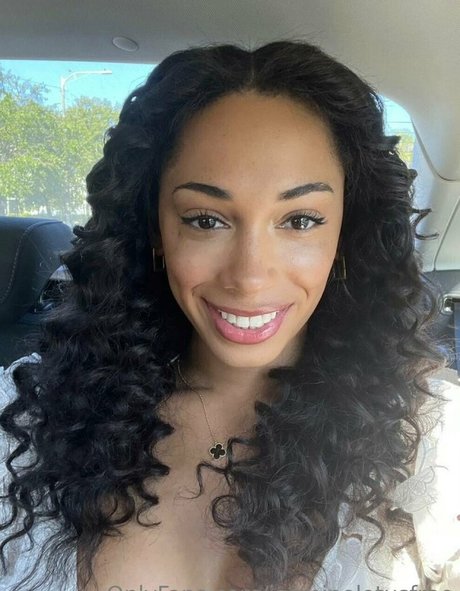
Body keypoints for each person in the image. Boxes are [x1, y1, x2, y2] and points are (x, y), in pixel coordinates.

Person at [0, 39, 459, 591]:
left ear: (345, 234)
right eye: (206, 220)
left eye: (300, 220)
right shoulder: (31, 418)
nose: (249, 275)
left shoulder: (432, 445)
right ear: (156, 231)